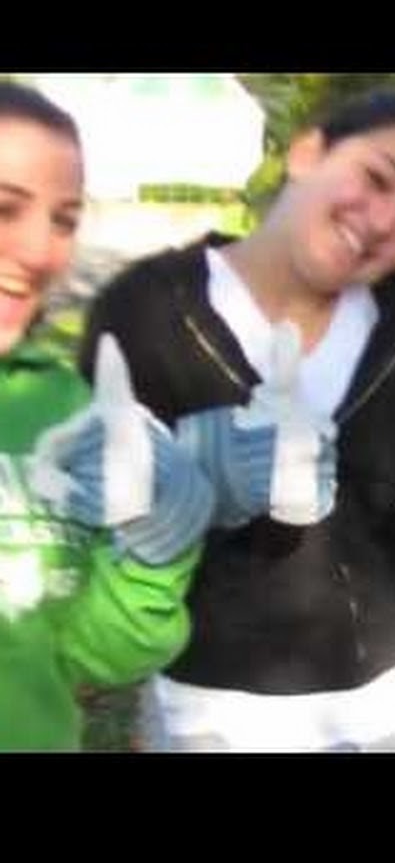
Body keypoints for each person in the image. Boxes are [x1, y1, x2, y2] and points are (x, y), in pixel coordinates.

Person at [79, 87, 395, 752]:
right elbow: (89, 532)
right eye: (377, 178)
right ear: (307, 152)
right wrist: (191, 478)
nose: (385, 221)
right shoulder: (147, 312)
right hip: (225, 717)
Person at [0, 80, 216, 750]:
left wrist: (157, 557)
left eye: (63, 220)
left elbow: (86, 654)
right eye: (5, 208)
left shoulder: (67, 410)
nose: (40, 252)